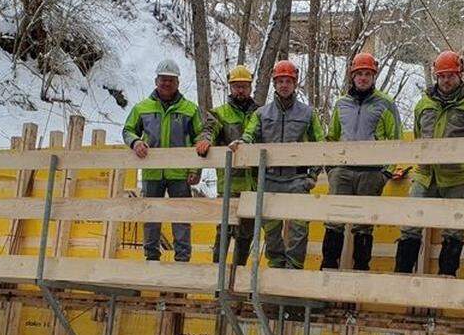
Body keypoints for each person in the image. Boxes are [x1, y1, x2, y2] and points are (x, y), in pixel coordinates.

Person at [394, 50, 464, 277]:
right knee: (410, 226)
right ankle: (401, 277)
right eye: (442, 76)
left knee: (454, 231)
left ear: (460, 76)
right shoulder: (423, 105)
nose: (446, 80)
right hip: (425, 174)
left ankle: (446, 279)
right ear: (436, 76)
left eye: (451, 75)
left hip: (458, 177)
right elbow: (418, 137)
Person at [229, 59, 324, 269]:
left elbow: (321, 146)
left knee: (299, 230)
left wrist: (312, 176)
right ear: (274, 83)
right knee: (271, 232)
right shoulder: (261, 114)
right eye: (280, 81)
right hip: (269, 180)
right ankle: (276, 271)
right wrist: (241, 145)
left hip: (297, 181)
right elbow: (249, 136)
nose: (284, 85)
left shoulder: (308, 114)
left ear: (295, 83)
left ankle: (293, 273)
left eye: (288, 81)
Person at [321, 52, 401, 271]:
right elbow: (332, 136)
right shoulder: (341, 104)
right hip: (342, 171)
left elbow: (396, 139)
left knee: (363, 225)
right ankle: (328, 269)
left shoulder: (386, 104)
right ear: (352, 77)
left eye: (367, 74)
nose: (363, 78)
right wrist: (331, 169)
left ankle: (360, 271)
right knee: (334, 220)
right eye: (359, 74)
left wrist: (385, 173)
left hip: (371, 173)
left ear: (373, 76)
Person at [122, 59, 203, 262]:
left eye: (171, 80)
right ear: (156, 80)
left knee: (181, 218)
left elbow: (199, 139)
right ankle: (151, 261)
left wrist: (196, 170)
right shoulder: (142, 108)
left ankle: (182, 263)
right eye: (163, 79)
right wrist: (135, 143)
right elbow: (128, 130)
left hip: (180, 174)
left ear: (177, 82)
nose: (166, 83)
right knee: (150, 218)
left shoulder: (190, 109)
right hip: (152, 172)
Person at [197, 64, 258, 265]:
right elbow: (209, 129)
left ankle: (237, 282)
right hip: (228, 185)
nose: (240, 90)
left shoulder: (260, 113)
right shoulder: (219, 113)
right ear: (230, 88)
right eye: (236, 86)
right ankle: (218, 281)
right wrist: (205, 139)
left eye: (244, 86)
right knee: (223, 234)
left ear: (250, 87)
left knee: (245, 236)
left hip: (252, 186)